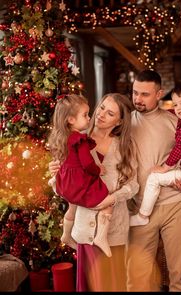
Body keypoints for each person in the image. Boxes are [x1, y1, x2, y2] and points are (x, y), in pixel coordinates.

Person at [49, 92, 139, 291]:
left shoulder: (125, 147)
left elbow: (133, 186)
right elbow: (63, 187)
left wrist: (111, 199)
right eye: (101, 107)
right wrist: (54, 175)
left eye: (110, 113)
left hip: (112, 230)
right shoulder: (76, 139)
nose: (101, 114)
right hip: (85, 229)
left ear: (120, 121)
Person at [126, 70, 181, 292]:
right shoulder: (124, 125)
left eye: (145, 94)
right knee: (137, 278)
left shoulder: (177, 122)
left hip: (177, 204)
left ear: (159, 94)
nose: (138, 99)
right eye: (135, 93)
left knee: (179, 276)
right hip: (140, 209)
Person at [130, 83, 181, 227]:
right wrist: (171, 110)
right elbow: (177, 112)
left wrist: (165, 167)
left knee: (154, 178)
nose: (178, 108)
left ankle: (142, 215)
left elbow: (180, 147)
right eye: (175, 105)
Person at [47, 94, 113, 257]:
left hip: (67, 183)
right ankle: (101, 237)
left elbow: (64, 160)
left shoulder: (61, 137)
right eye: (85, 115)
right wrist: (98, 170)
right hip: (79, 182)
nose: (89, 118)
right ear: (70, 119)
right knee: (109, 202)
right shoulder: (79, 139)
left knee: (72, 206)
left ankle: (66, 235)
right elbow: (87, 164)